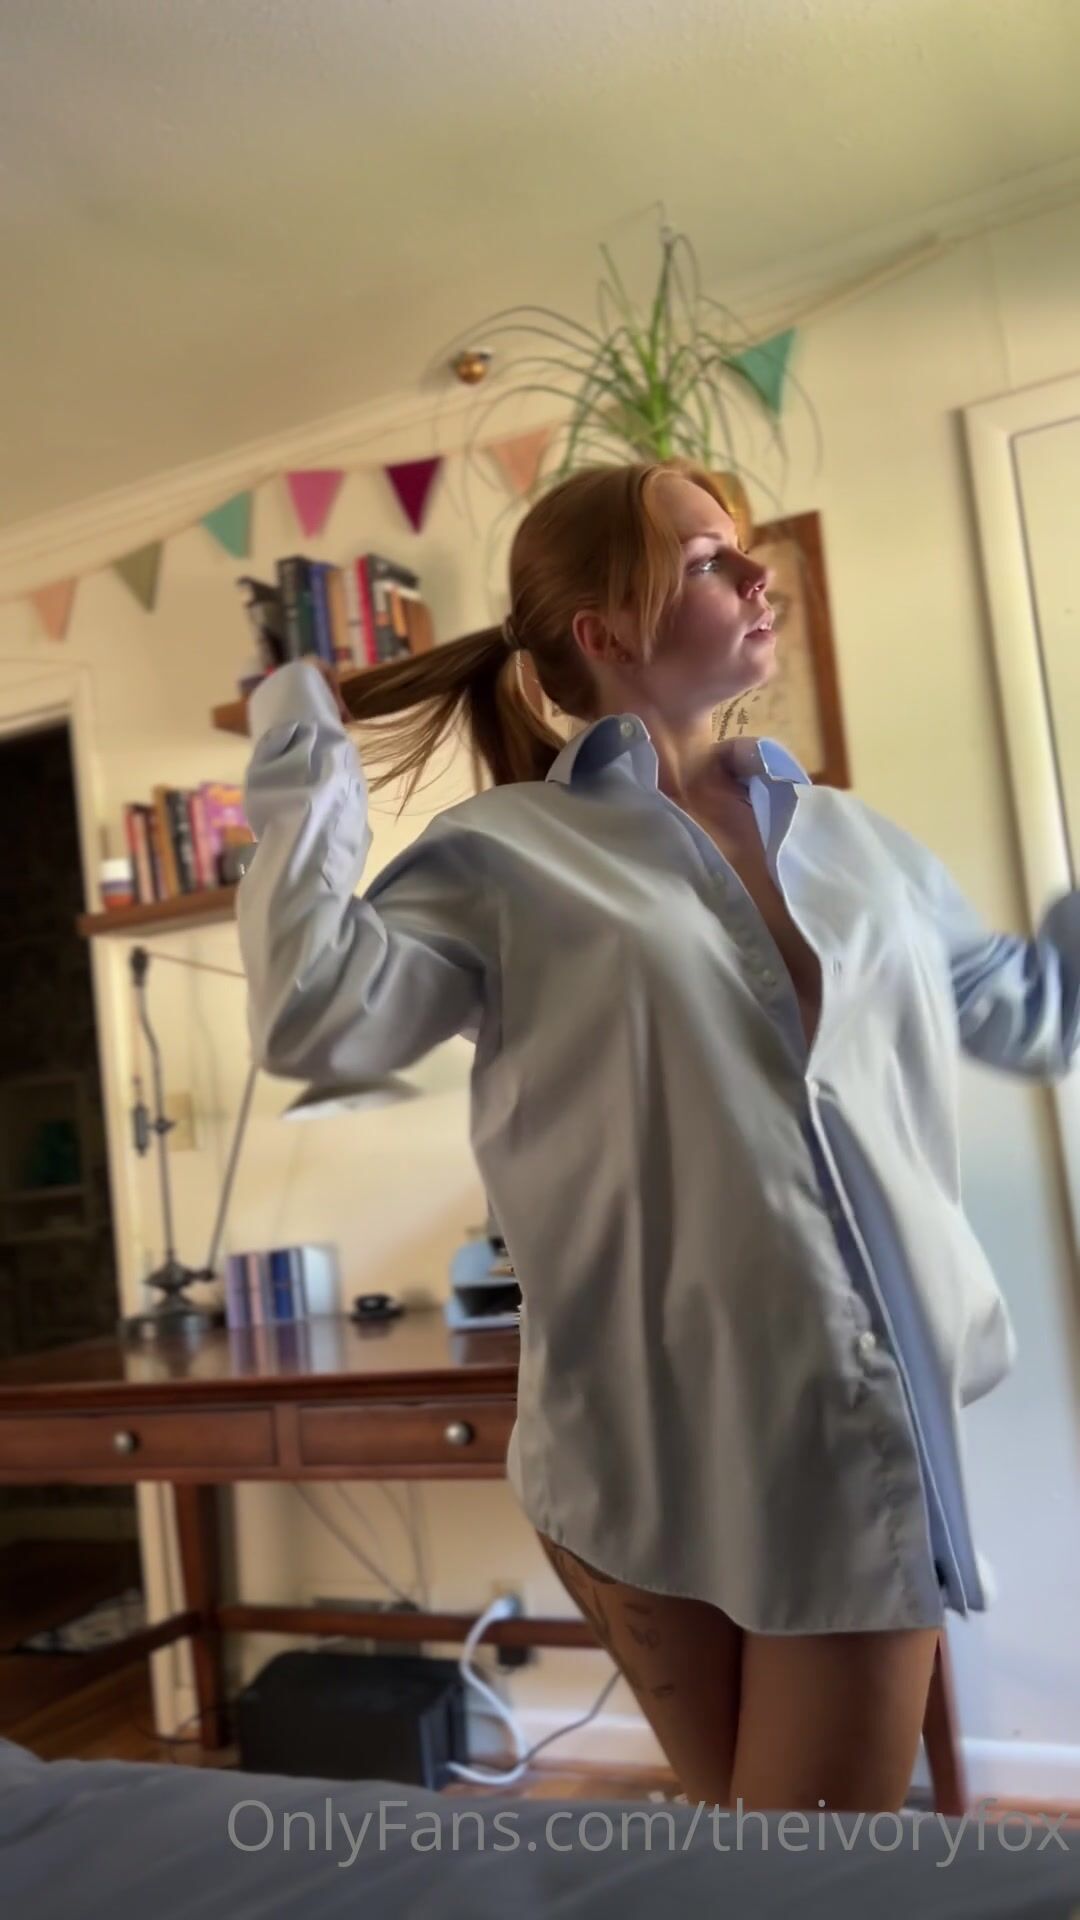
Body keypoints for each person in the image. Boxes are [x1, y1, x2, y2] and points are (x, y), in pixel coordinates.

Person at [236, 458, 1080, 1814]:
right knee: (762, 1871)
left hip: (840, 1436)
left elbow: (1036, 1014)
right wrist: (300, 750)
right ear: (607, 632)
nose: (757, 576)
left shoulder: (863, 848)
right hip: (619, 1454)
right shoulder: (504, 854)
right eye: (707, 561)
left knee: (791, 1874)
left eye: (743, 551)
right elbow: (318, 1021)